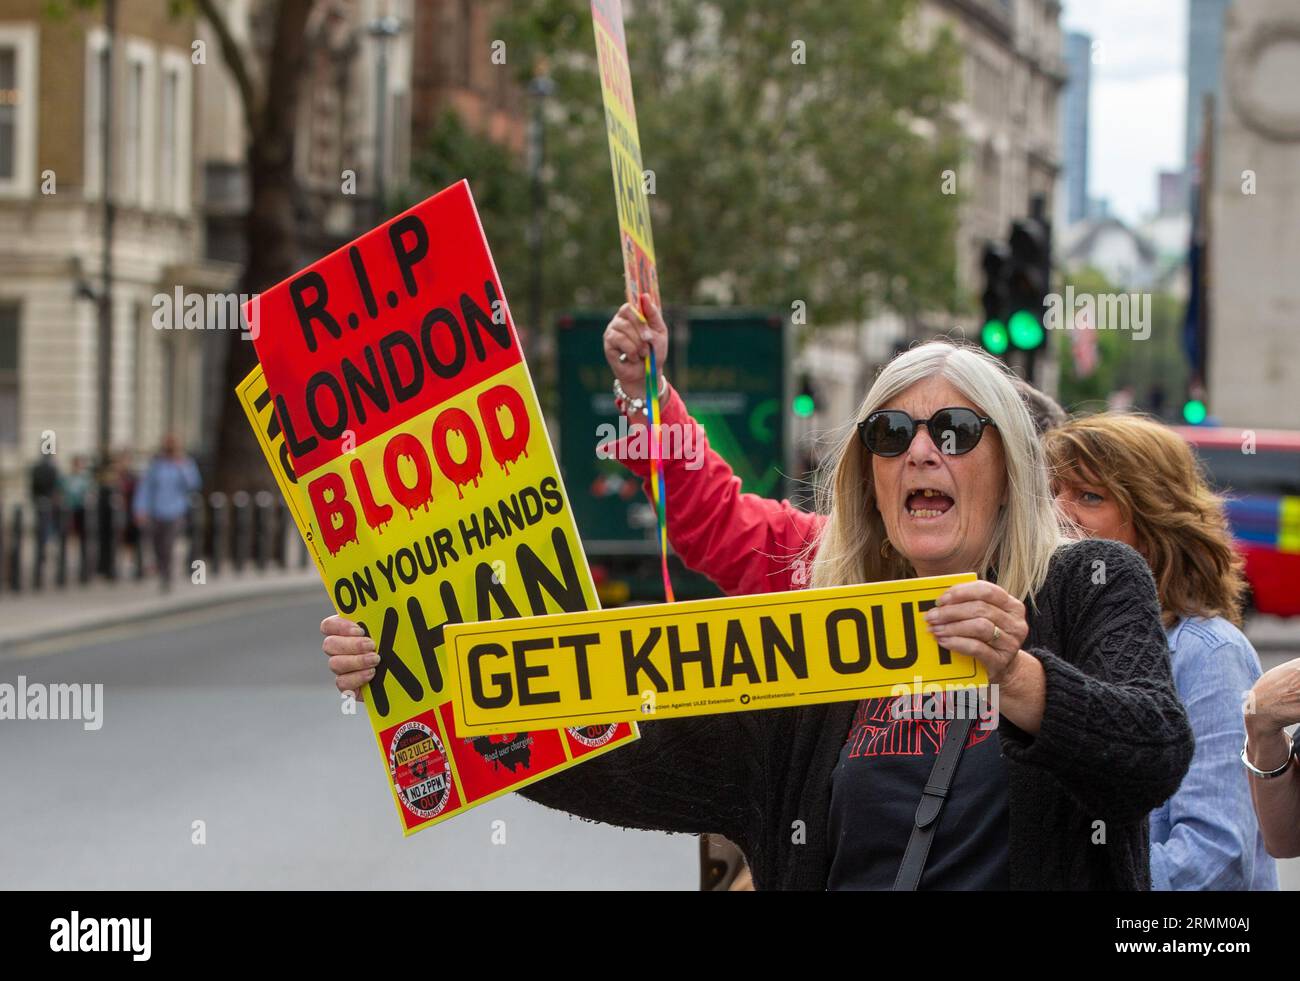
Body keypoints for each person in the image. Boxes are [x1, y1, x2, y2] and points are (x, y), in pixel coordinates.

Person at [321, 299, 1192, 890]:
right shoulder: (815, 625)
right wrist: (416, 680)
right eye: (892, 433)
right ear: (868, 475)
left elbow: (1154, 751)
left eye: (956, 431)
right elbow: (610, 750)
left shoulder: (1087, 582)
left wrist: (1024, 681)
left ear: (1010, 467)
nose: (922, 451)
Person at [1045, 414, 1278, 891]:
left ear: (1152, 527)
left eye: (1088, 496)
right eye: (1049, 492)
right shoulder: (1047, 641)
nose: (1056, 512)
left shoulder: (1208, 654)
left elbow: (1216, 856)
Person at [132, 434, 201, 593]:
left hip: (176, 511)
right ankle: (162, 570)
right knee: (157, 544)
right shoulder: (157, 464)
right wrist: (140, 509)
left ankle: (166, 577)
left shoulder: (186, 463)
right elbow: (145, 488)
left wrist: (182, 466)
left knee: (168, 544)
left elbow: (194, 484)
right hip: (156, 511)